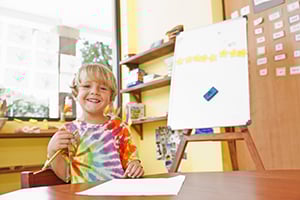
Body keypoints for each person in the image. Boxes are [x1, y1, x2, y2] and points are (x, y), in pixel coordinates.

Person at [47, 63, 144, 183]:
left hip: (117, 194)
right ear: (76, 93)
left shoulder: (119, 127)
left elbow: (131, 161)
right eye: (87, 86)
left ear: (111, 98)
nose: (94, 92)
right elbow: (66, 175)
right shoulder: (68, 131)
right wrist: (51, 149)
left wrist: (134, 165)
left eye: (103, 88)